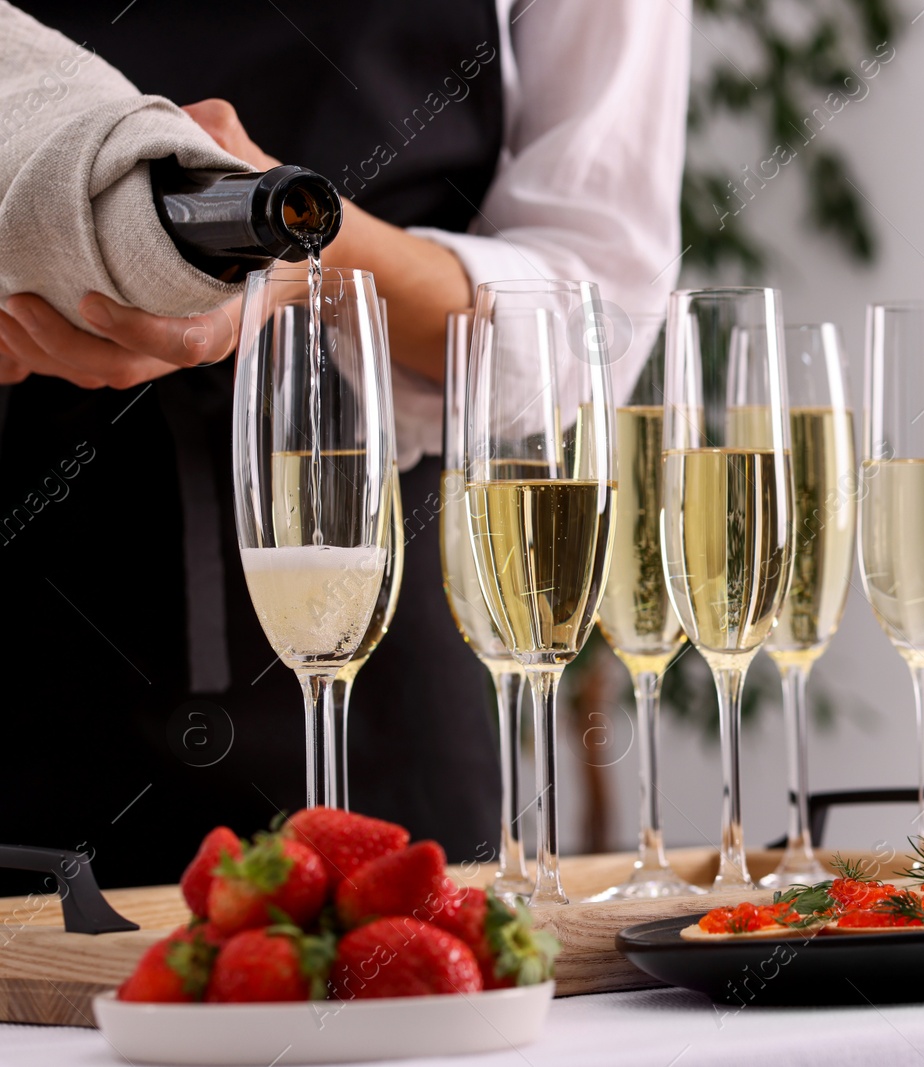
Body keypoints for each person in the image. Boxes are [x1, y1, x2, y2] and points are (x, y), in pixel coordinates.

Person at [0, 0, 689, 891]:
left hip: (380, 643)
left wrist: (305, 244)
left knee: (404, 991)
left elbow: (594, 320)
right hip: (33, 654)